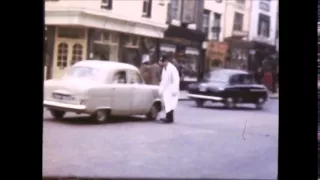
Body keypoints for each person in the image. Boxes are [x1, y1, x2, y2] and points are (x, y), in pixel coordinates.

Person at [158, 55, 180, 124]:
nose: (161, 63)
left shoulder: (172, 68)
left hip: (172, 89)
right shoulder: (164, 69)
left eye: (163, 62)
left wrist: (174, 90)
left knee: (170, 104)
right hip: (167, 89)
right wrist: (161, 89)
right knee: (168, 104)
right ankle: (169, 118)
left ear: (166, 61)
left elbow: (176, 79)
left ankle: (169, 118)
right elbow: (163, 80)